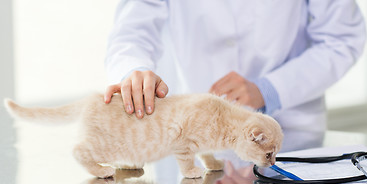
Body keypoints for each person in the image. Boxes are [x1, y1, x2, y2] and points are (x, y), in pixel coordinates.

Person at [104, 0, 365, 131]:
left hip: (290, 129)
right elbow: (132, 29)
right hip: (198, 126)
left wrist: (268, 90)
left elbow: (342, 38)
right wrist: (133, 70)